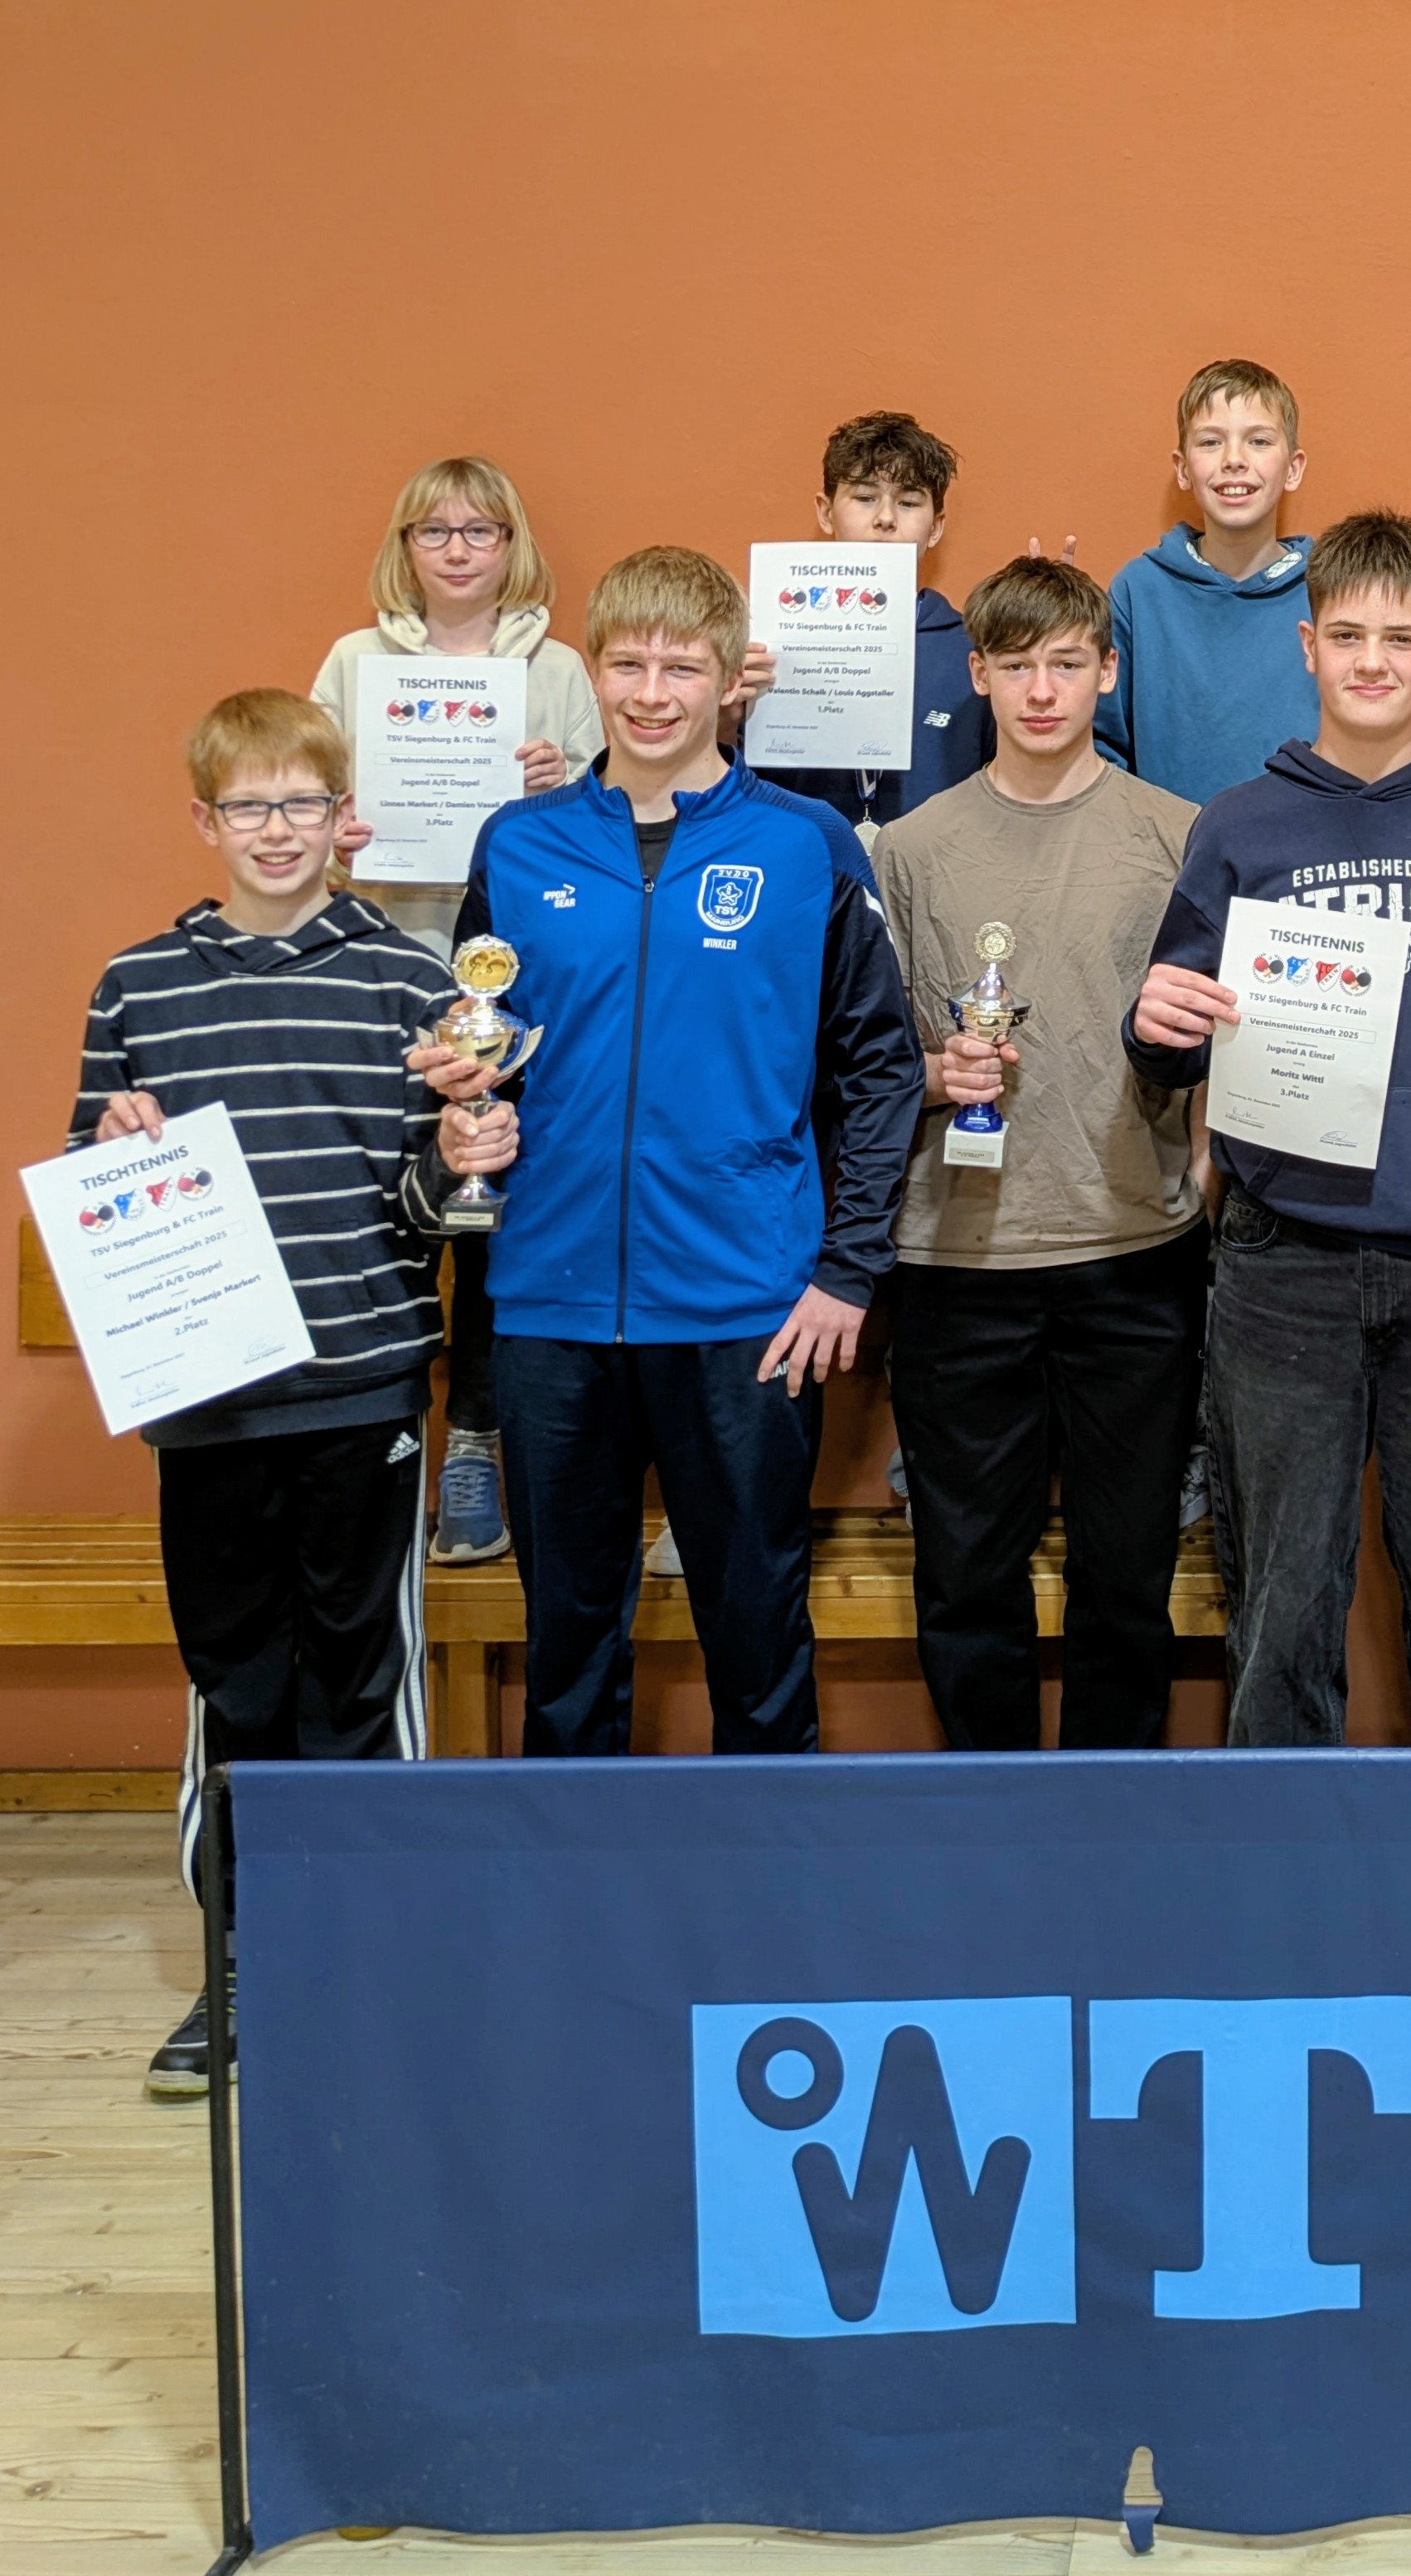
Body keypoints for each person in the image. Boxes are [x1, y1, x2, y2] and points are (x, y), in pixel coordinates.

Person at [68, 691, 512, 2097]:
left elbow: (433, 1204)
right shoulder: (137, 985)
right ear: (205, 820)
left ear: (344, 817)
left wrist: (464, 1153)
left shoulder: (403, 979)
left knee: (358, 1684)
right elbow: (100, 1189)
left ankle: (359, 1960)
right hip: (207, 1404)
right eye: (249, 806)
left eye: (301, 803)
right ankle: (242, 1962)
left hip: (361, 1388)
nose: (277, 830)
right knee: (238, 1687)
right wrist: (112, 1145)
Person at [438, 547, 926, 1758]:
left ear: (726, 679)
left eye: (682, 666)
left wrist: (847, 1267)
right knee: (565, 1653)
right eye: (628, 664)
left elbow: (880, 1068)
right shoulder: (519, 845)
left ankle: (765, 1872)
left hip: (745, 1307)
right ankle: (578, 1871)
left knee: (757, 1640)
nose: (652, 693)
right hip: (550, 1302)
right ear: (593, 670)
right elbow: (476, 1048)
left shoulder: (808, 842)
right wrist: (461, 1121)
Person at [1126, 508, 1411, 1746]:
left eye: (1397, 637)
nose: (1372, 660)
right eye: (1346, 635)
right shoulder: (1239, 823)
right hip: (1284, 1261)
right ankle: (1283, 1855)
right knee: (1280, 1608)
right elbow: (1171, 1037)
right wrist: (1155, 1021)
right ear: (1306, 644)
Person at [875, 555, 1205, 1749]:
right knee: (967, 1577)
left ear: (1107, 671)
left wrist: (1206, 1162)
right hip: (956, 1258)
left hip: (1134, 1247)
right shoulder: (908, 848)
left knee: (1128, 1574)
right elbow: (871, 1062)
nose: (1043, 690)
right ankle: (989, 1814)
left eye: (1067, 663)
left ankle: (1111, 1817)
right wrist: (935, 1076)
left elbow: (1217, 1037)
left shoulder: (1179, 834)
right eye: (1016, 666)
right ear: (978, 674)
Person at [308, 455, 599, 1567]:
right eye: (435, 530)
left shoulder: (559, 670)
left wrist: (559, 789)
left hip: (515, 990)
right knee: (380, 1208)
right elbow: (301, 811)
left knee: (491, 1212)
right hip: (383, 978)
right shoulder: (353, 662)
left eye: (482, 529)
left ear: (513, 544)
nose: (459, 548)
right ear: (405, 547)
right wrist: (336, 833)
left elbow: (616, 818)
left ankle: (473, 1437)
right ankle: (376, 1440)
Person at [730, 408, 991, 828]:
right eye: (865, 498)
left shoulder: (974, 651)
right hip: (801, 857)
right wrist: (726, 715)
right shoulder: (763, 644)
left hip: (936, 861)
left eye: (908, 502)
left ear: (936, 527)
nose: (885, 518)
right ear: (825, 512)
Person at [1096, 359, 1316, 803]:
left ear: (1293, 468)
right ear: (1182, 469)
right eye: (1211, 442)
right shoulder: (1137, 593)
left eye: (1258, 441)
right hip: (1170, 845)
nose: (1234, 460)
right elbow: (1101, 750)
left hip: (1311, 844)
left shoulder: (1331, 591)